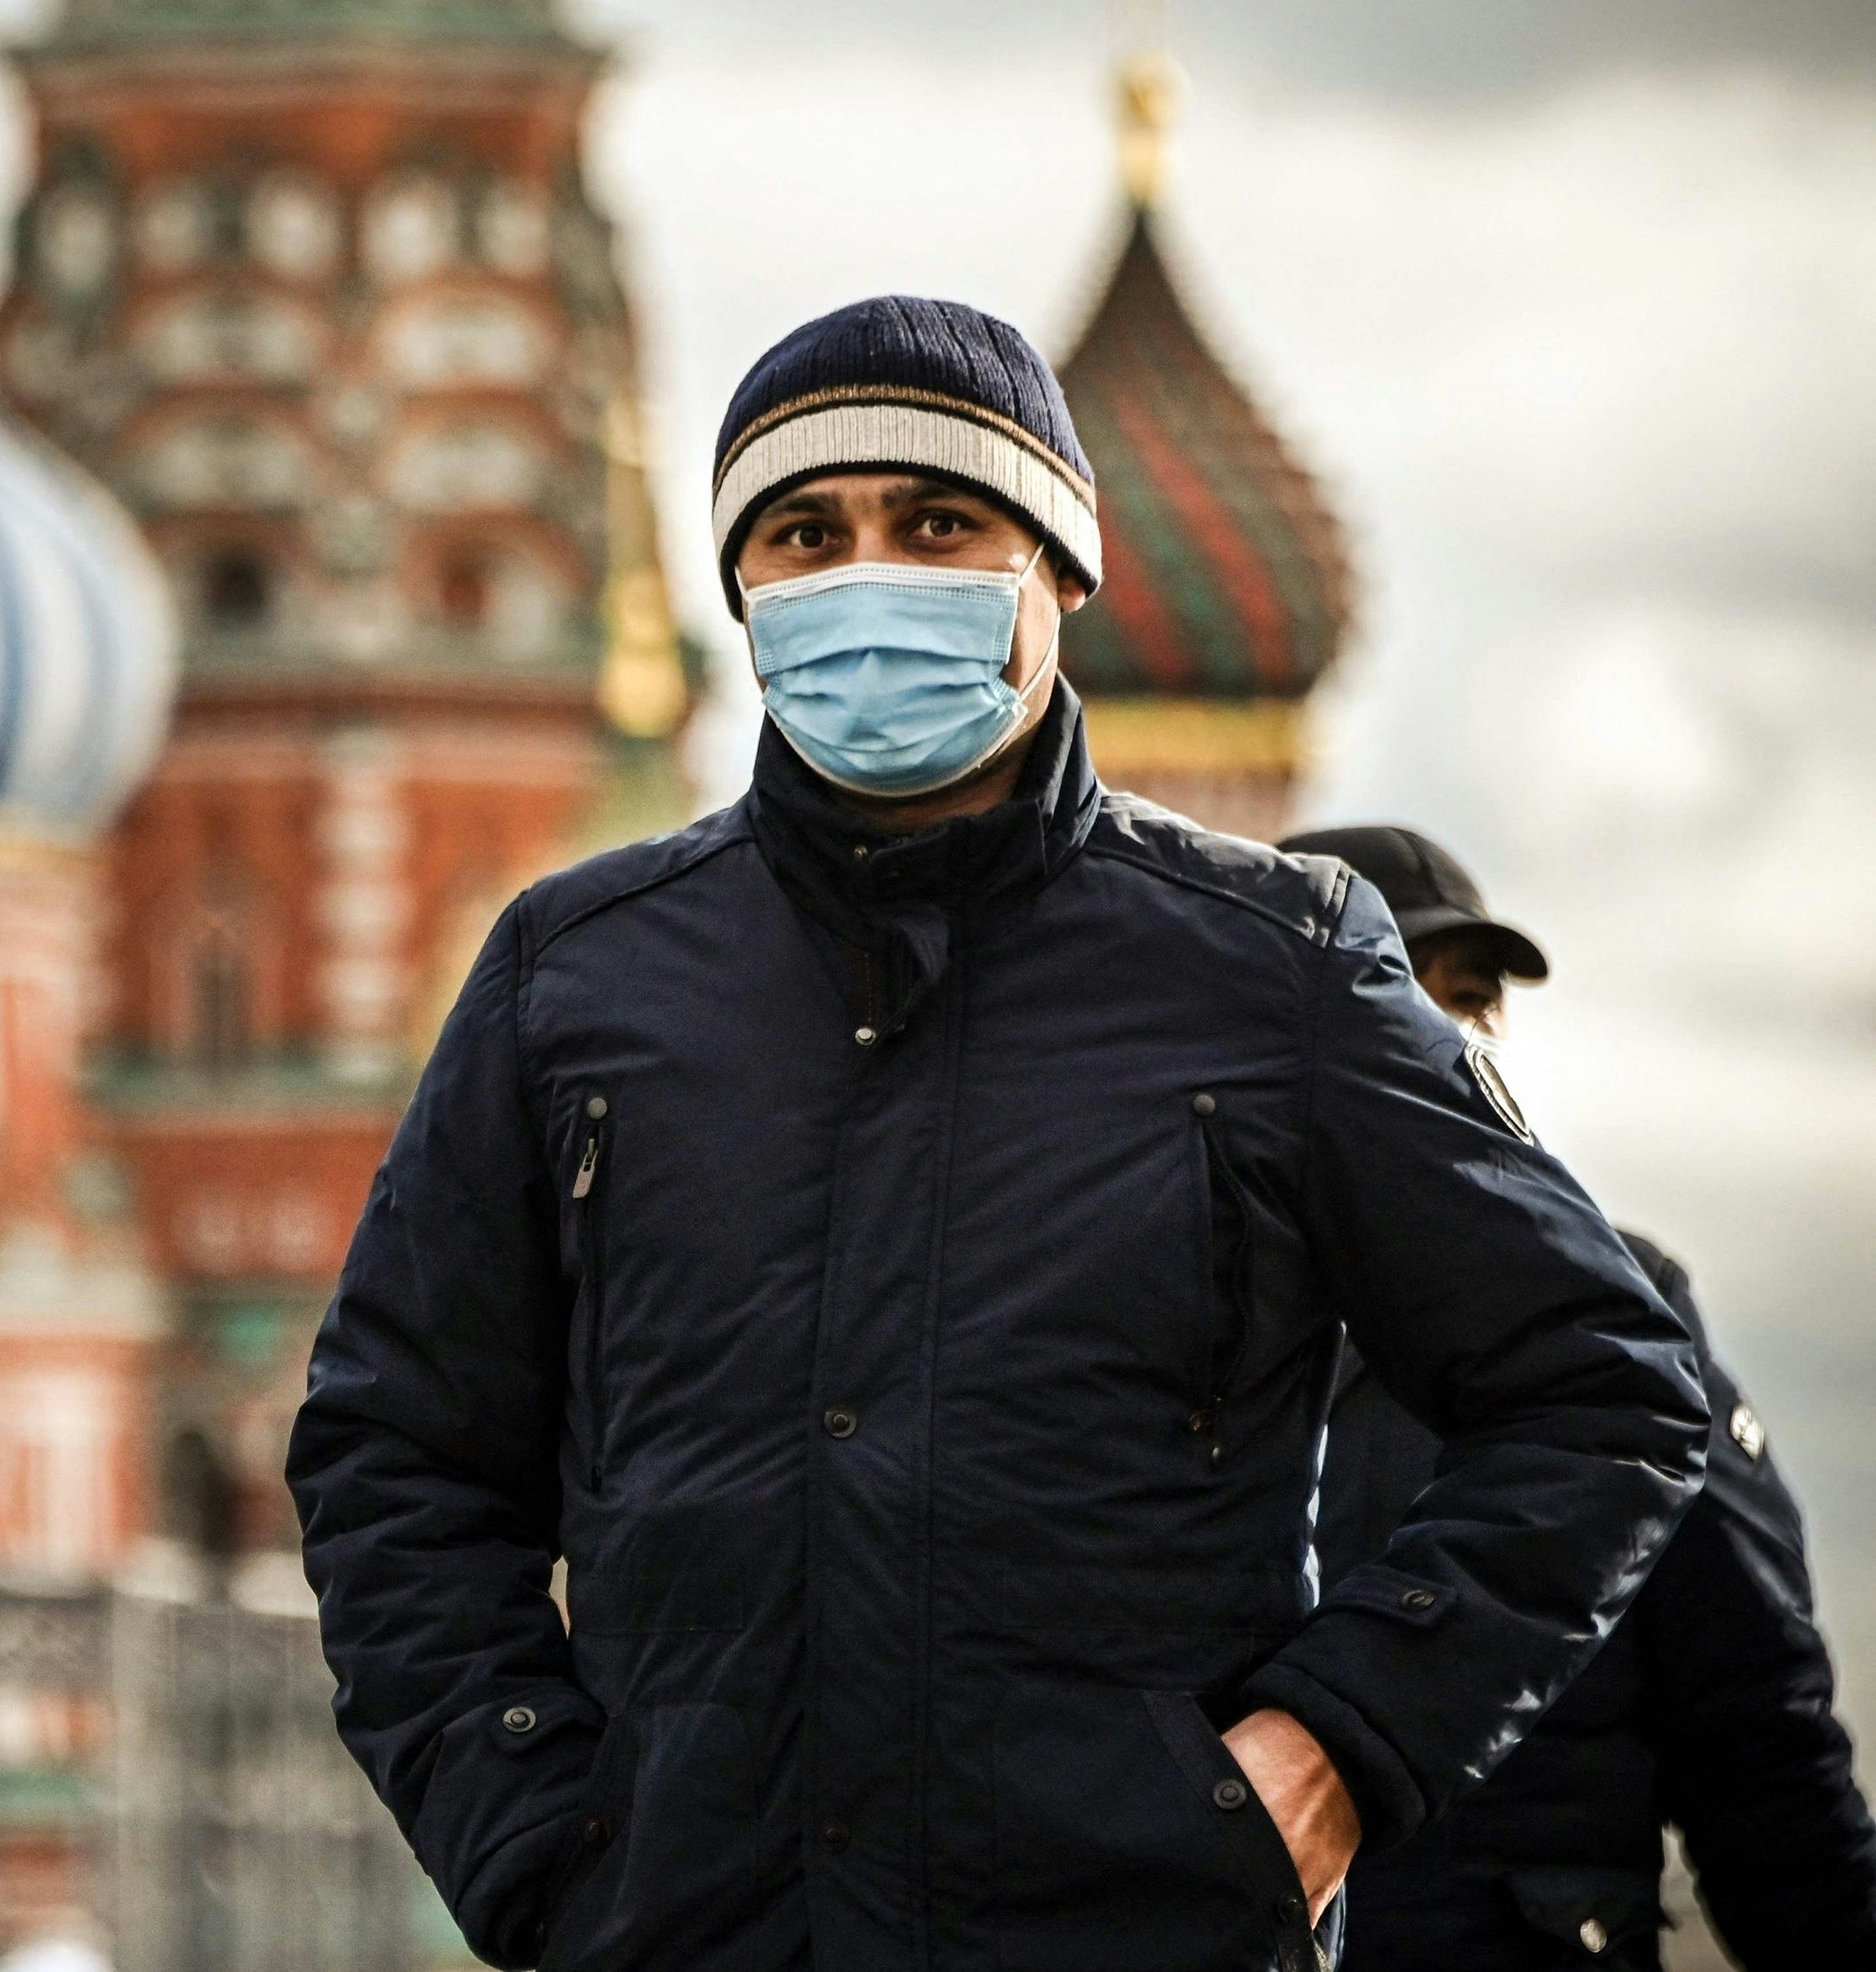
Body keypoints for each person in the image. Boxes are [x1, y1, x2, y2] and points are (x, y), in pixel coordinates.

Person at [284, 296, 1709, 1971]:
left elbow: (1600, 1390)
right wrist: (537, 1842)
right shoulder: (579, 976)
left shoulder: (1273, 967)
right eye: (807, 535)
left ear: (1064, 568)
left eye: (939, 523)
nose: (869, 577)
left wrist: (1335, 1751)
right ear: (740, 589)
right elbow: (396, 1454)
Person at [1282, 824, 1876, 1969]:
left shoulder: (1617, 1316)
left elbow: (1760, 1744)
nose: (1449, 1030)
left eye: (1475, 996)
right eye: (1391, 986)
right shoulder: (1140, 1329)